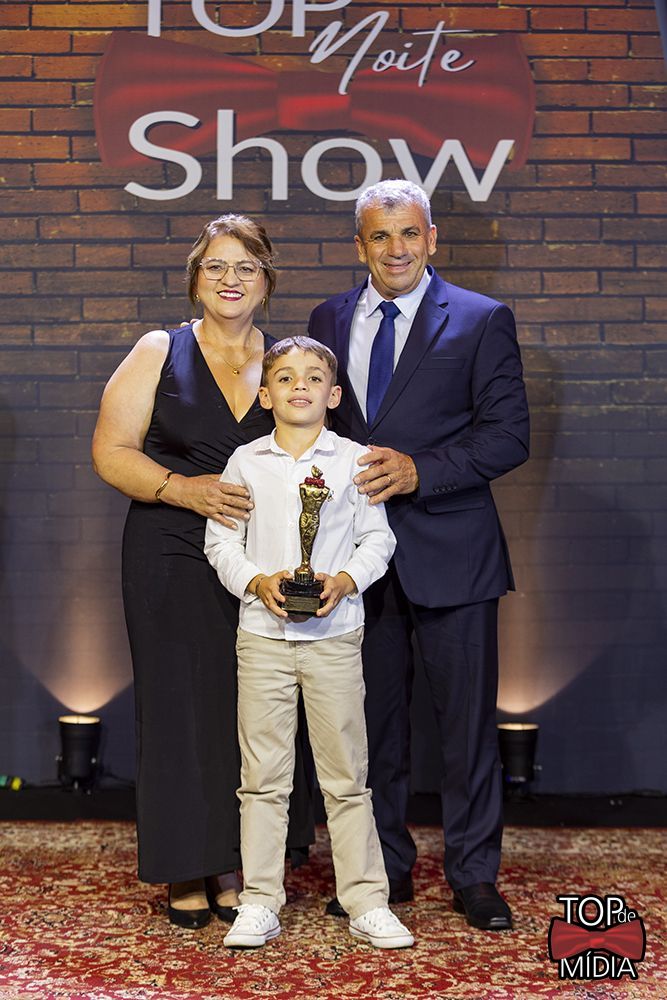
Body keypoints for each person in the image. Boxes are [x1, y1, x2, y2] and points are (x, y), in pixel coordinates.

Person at [307, 179, 530, 931]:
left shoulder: (481, 318)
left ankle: (474, 877)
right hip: (354, 562)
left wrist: (419, 471)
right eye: (380, 235)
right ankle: (384, 873)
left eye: (409, 233)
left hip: (454, 555)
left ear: (432, 238)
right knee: (370, 729)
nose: (395, 248)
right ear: (359, 245)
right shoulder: (326, 319)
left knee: (465, 730)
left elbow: (508, 436)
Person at [91, 215, 313, 929]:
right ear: (195, 279)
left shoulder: (287, 360)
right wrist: (181, 489)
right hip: (171, 549)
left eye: (245, 267)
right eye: (215, 266)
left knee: (254, 711)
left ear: (266, 281)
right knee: (180, 708)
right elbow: (111, 451)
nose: (230, 279)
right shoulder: (160, 349)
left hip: (262, 561)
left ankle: (238, 861)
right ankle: (186, 866)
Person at [204, 337, 414, 950]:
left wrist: (345, 580)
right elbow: (221, 543)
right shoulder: (245, 461)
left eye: (315, 377)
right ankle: (259, 900)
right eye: (286, 377)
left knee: (347, 776)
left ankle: (367, 901)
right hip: (262, 639)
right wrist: (256, 581)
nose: (301, 386)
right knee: (262, 777)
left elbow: (378, 540)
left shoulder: (353, 460)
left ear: (335, 394)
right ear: (265, 395)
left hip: (334, 639)